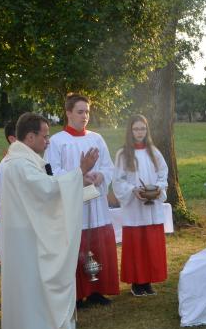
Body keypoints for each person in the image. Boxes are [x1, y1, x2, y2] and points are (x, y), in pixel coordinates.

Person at [0, 112, 99, 329]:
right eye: (45, 136)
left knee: (33, 282)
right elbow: (47, 191)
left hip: (27, 229)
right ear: (30, 137)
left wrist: (80, 184)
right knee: (30, 283)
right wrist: (79, 172)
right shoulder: (19, 165)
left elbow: (48, 193)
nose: (48, 141)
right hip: (25, 234)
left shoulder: (24, 161)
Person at [46, 93, 120, 307]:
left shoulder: (96, 138)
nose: (85, 116)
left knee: (97, 243)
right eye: (80, 112)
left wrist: (100, 176)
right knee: (76, 247)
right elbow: (52, 171)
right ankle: (77, 294)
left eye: (87, 112)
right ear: (68, 113)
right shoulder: (57, 141)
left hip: (96, 202)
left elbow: (108, 166)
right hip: (72, 204)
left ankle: (97, 290)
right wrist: (79, 177)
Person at [113, 115, 169, 296]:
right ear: (130, 131)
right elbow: (118, 180)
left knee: (151, 244)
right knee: (137, 244)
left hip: (151, 205)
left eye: (143, 129)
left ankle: (148, 281)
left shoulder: (154, 152)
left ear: (147, 130)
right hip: (134, 207)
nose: (139, 132)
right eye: (136, 129)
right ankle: (137, 282)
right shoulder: (123, 154)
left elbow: (163, 173)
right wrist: (132, 190)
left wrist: (158, 187)